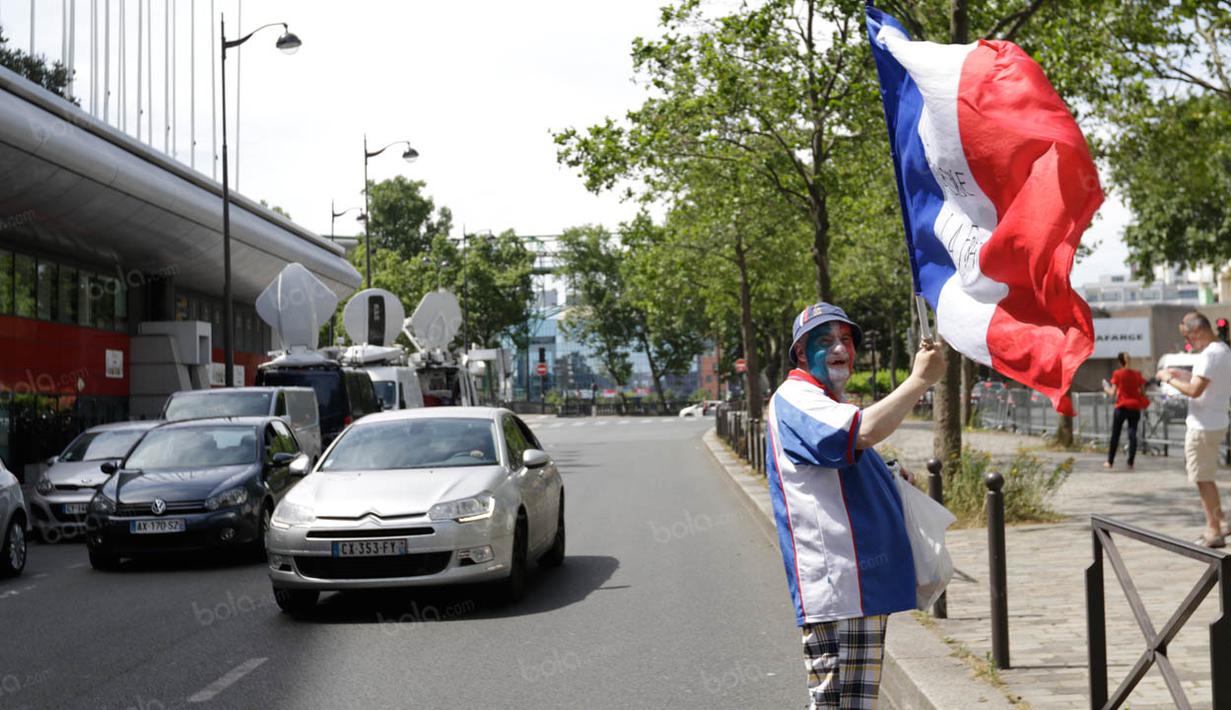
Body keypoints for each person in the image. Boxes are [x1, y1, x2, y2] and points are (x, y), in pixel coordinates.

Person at [765, 302, 945, 709]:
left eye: (845, 339)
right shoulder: (796, 396)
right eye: (825, 341)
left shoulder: (823, 401)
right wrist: (918, 381)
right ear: (799, 353)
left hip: (857, 589)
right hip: (841, 588)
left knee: (849, 704)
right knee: (836, 703)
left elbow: (842, 460)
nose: (839, 348)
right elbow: (861, 432)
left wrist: (890, 476)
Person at [1157, 311, 1231, 548]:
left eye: (1189, 337)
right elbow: (1205, 383)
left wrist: (1168, 378)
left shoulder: (1209, 355)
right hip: (1216, 420)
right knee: (1207, 476)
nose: (1189, 342)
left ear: (1198, 331)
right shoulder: (1223, 351)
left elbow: (1194, 391)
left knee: (1202, 478)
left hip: (1202, 425)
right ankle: (1221, 521)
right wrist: (1184, 375)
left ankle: (1213, 531)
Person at [1103, 352, 1149, 469]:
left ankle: (1110, 461)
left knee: (1115, 434)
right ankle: (1130, 462)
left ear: (1119, 362)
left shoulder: (1117, 374)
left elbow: (1113, 393)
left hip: (1121, 407)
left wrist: (1106, 388)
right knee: (1132, 433)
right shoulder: (1137, 374)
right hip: (1134, 407)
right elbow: (1143, 392)